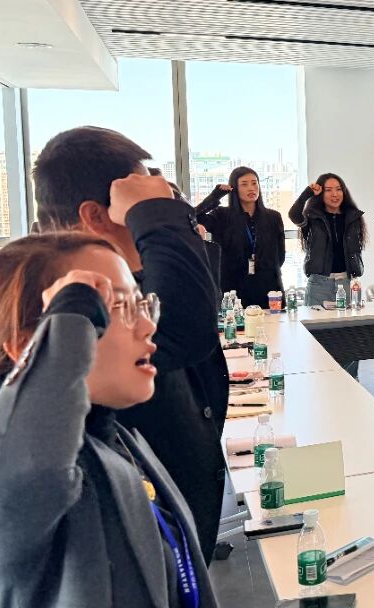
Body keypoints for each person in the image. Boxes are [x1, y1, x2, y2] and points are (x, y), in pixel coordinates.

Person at [0, 233, 219, 607]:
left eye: (141, 304)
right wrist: (70, 320)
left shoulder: (114, 441)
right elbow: (17, 489)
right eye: (115, 308)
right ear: (26, 347)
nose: (147, 326)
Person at [32, 126, 227, 560]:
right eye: (131, 204)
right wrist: (157, 215)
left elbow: (189, 330)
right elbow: (185, 329)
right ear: (96, 216)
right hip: (129, 549)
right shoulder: (60, 300)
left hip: (168, 533)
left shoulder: (118, 283)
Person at [195, 166, 286, 308]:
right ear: (235, 188)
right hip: (233, 287)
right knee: (237, 321)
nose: (251, 188)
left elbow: (280, 255)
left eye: (254, 183)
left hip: (268, 285)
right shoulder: (222, 215)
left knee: (273, 322)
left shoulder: (273, 217)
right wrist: (215, 196)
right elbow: (193, 218)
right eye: (244, 184)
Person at [290, 172, 366, 310]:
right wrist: (308, 193)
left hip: (348, 283)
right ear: (320, 194)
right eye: (328, 190)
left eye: (338, 189)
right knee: (316, 323)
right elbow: (294, 214)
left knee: (350, 323)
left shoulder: (353, 217)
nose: (335, 194)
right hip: (319, 285)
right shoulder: (312, 217)